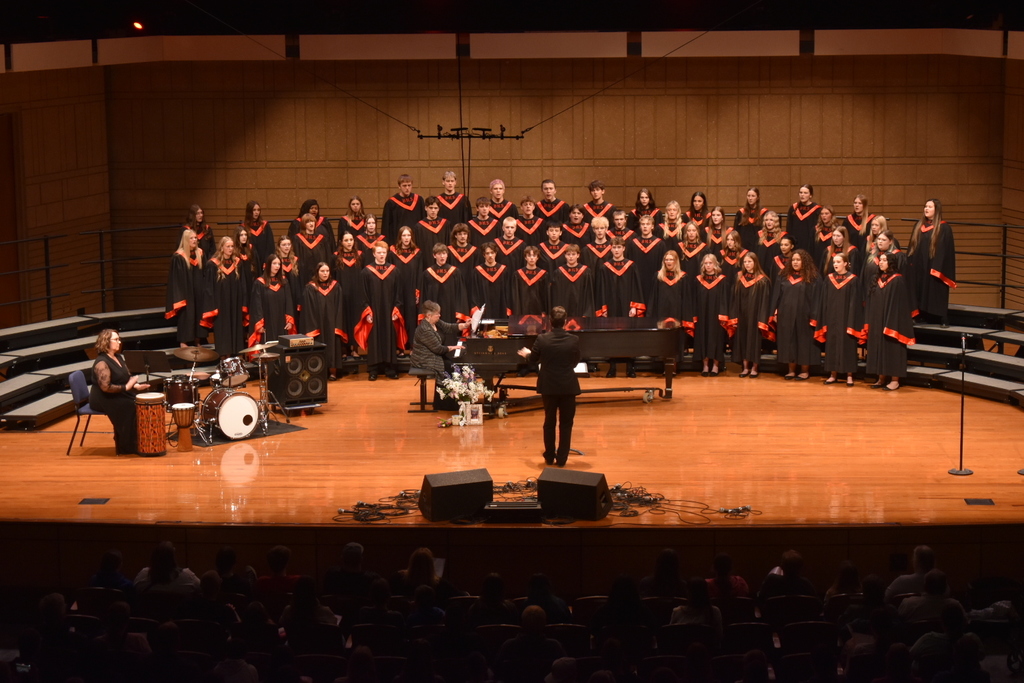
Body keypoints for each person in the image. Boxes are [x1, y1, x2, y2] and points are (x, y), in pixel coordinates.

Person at [518, 306, 581, 466]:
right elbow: (574, 362)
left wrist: (527, 355)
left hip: (548, 385)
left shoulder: (542, 339)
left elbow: (533, 359)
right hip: (568, 386)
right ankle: (562, 459)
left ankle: (549, 456)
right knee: (566, 424)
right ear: (565, 322)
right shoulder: (574, 340)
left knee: (549, 422)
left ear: (550, 322)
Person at [89, 329, 151, 456]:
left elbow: (125, 377)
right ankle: (126, 447)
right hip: (103, 398)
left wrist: (136, 385)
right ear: (106, 342)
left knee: (138, 401)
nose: (119, 342)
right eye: (116, 339)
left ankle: (134, 440)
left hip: (116, 393)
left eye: (119, 339)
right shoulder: (102, 363)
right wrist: (127, 387)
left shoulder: (118, 356)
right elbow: (105, 387)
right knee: (130, 406)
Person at [355, 242, 407, 381]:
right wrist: (367, 312)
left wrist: (397, 308)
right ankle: (373, 369)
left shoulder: (394, 271)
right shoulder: (366, 272)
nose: (382, 254)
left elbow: (398, 293)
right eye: (379, 252)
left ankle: (390, 368)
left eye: (384, 252)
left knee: (390, 337)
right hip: (374, 311)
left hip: (390, 310)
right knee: (375, 339)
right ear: (374, 254)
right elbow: (363, 294)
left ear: (387, 253)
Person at [864, 253, 916, 391]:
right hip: (877, 320)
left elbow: (900, 305)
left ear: (891, 263)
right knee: (878, 348)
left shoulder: (898, 280)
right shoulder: (876, 279)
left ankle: (894, 380)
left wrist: (889, 321)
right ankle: (881, 377)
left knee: (892, 349)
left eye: (884, 260)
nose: (881, 263)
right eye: (880, 260)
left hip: (891, 321)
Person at [596, 238, 645, 377]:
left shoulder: (631, 266)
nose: (616, 250)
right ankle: (612, 367)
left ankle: (631, 366)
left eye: (619, 247)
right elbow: (602, 289)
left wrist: (634, 306)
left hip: (627, 306)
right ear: (610, 249)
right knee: (612, 336)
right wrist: (603, 308)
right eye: (614, 247)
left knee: (629, 336)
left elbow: (636, 287)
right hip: (611, 307)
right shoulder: (605, 267)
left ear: (624, 248)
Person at [411, 300, 471, 410]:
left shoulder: (435, 322)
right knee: (449, 367)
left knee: (453, 365)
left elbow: (449, 327)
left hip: (433, 354)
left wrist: (465, 325)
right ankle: (445, 404)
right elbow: (438, 349)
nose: (439, 315)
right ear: (428, 315)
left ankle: (453, 400)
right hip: (424, 358)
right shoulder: (424, 329)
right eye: (437, 314)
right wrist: (453, 347)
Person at [771, 248, 821, 380]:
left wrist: (814, 316)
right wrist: (775, 312)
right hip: (786, 315)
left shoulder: (813, 277)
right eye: (793, 259)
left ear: (804, 261)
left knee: (804, 342)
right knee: (789, 341)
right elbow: (777, 295)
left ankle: (804, 371)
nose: (795, 262)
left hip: (805, 316)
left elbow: (817, 298)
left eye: (798, 259)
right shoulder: (783, 275)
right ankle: (791, 370)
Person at [816, 252, 863, 386]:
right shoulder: (829, 279)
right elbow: (824, 300)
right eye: (834, 262)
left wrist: (851, 321)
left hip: (846, 318)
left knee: (847, 345)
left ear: (846, 264)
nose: (835, 264)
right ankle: (832, 374)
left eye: (838, 262)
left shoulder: (853, 280)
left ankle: (849, 375)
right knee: (832, 346)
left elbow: (855, 302)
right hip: (832, 318)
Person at [907, 198, 956, 324]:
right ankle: (920, 314)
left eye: (929, 207)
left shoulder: (944, 228)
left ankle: (940, 317)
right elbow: (912, 247)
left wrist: (936, 267)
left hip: (934, 267)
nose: (926, 209)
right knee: (919, 289)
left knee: (935, 288)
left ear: (936, 210)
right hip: (919, 267)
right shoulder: (918, 226)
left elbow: (946, 251)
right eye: (925, 206)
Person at [200, 236, 249, 357]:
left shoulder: (237, 263)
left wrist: (243, 303)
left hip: (235, 303)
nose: (231, 249)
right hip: (221, 305)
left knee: (236, 329)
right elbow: (209, 288)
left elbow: (243, 285)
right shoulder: (213, 265)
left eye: (232, 246)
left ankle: (236, 358)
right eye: (228, 246)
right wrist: (213, 306)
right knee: (223, 329)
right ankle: (224, 358)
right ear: (221, 247)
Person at [729, 252, 773, 379]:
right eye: (745, 262)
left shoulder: (762, 280)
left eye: (750, 262)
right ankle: (745, 367)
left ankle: (754, 367)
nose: (747, 264)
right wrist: (734, 316)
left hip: (755, 316)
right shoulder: (739, 278)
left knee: (753, 341)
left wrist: (762, 319)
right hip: (742, 315)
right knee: (742, 339)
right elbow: (734, 298)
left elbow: (765, 301)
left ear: (755, 262)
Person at [301, 262, 348, 380]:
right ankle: (318, 372)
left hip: (332, 323)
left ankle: (333, 372)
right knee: (319, 345)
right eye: (322, 271)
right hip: (318, 323)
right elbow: (308, 309)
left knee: (333, 345)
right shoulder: (310, 288)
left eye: (327, 271)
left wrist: (338, 324)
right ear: (317, 272)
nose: (325, 273)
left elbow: (339, 306)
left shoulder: (335, 286)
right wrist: (313, 325)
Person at [419, 243, 470, 345]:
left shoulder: (455, 272)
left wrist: (459, 313)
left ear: (447, 255)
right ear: (434, 255)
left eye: (444, 253)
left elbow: (461, 294)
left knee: (451, 338)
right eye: (439, 254)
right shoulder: (428, 274)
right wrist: (424, 314)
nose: (442, 256)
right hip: (433, 314)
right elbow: (424, 296)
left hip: (451, 311)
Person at [165, 228, 205, 348]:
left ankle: (198, 341)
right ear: (185, 240)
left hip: (198, 292)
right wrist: (181, 297)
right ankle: (184, 342)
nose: (194, 240)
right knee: (187, 315)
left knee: (198, 314)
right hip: (186, 293)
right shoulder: (179, 257)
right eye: (191, 238)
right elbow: (176, 280)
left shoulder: (200, 253)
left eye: (195, 238)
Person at [693, 254, 731, 377]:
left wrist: (723, 315)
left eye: (710, 263)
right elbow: (695, 300)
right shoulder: (698, 280)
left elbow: (725, 299)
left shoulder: (722, 280)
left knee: (716, 339)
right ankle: (705, 365)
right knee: (703, 337)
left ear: (715, 265)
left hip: (716, 316)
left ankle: (715, 365)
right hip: (702, 315)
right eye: (706, 263)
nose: (708, 265)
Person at [248, 254, 296, 349]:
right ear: (268, 265)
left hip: (281, 322)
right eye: (274, 263)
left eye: (279, 264)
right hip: (267, 322)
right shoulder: (259, 283)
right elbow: (257, 305)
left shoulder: (284, 282)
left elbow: (289, 302)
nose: (277, 266)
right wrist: (259, 323)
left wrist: (290, 321)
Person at [389, 226, 424, 352]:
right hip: (397, 289)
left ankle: (412, 344)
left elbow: (420, 273)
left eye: (408, 235)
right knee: (399, 315)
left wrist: (418, 290)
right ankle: (399, 346)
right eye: (403, 235)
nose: (406, 238)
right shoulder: (393, 252)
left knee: (411, 316)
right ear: (400, 237)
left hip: (411, 289)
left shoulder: (417, 253)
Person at [335, 232, 365, 360]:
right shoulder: (336, 257)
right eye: (346, 240)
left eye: (351, 240)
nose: (349, 242)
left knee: (355, 320)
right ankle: (344, 349)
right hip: (342, 294)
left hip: (356, 294)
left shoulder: (360, 256)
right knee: (343, 321)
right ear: (341, 242)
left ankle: (354, 349)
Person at [134, 541, 200, 596]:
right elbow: (201, 588)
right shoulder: (188, 577)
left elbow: (134, 591)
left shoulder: (143, 576)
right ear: (173, 557)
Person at [629, 214, 668, 303]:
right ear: (640, 227)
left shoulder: (660, 244)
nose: (645, 226)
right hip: (637, 282)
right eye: (643, 224)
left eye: (648, 224)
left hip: (654, 281)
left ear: (652, 226)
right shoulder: (633, 244)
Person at [468, 242, 512, 319]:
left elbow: (508, 291)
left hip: (500, 307)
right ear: (484, 255)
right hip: (484, 309)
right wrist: (477, 310)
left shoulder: (503, 270)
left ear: (496, 253)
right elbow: (474, 292)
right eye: (487, 253)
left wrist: (507, 307)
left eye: (492, 253)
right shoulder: (477, 271)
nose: (490, 256)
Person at [293, 212, 333, 288]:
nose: (311, 224)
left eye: (312, 221)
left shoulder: (321, 239)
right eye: (308, 222)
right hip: (304, 271)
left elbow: (327, 256)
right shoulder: (298, 239)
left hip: (319, 271)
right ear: (303, 224)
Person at [383, 174, 425, 244]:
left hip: (416, 240)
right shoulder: (391, 203)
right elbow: (386, 227)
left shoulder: (419, 200)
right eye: (404, 185)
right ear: (399, 186)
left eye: (409, 185)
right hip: (398, 241)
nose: (407, 188)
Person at [511, 246, 550, 317]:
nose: (532, 258)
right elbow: (516, 296)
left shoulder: (543, 274)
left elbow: (545, 296)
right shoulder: (518, 274)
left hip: (538, 309)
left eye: (534, 255)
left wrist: (544, 311)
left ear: (537, 257)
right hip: (522, 310)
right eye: (529, 256)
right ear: (525, 257)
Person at [785, 184, 821, 252]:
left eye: (805, 193)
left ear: (810, 195)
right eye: (801, 192)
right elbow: (789, 227)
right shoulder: (793, 208)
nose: (802, 195)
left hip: (809, 243)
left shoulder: (817, 210)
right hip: (795, 243)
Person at [733, 187, 767, 252]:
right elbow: (736, 232)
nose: (750, 198)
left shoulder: (763, 213)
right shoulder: (741, 213)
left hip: (758, 245)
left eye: (753, 196)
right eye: (748, 196)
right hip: (744, 246)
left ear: (758, 197)